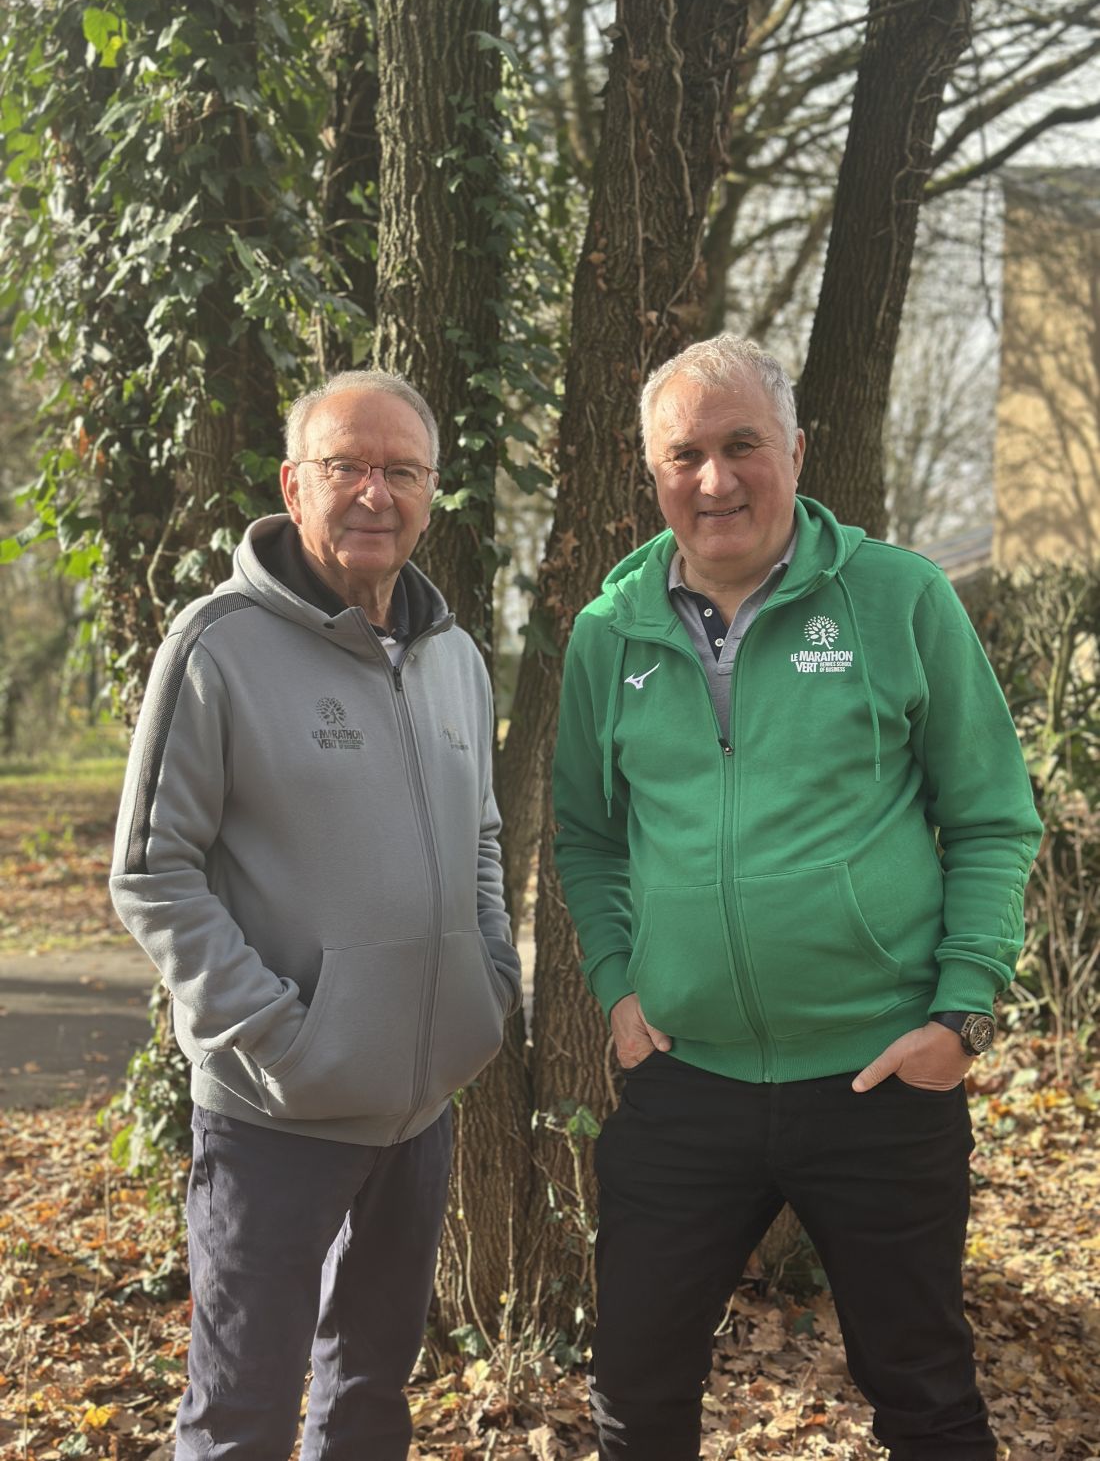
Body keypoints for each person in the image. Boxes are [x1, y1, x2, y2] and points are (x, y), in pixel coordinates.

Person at [552, 334, 1041, 1460]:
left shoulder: (896, 597)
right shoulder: (604, 632)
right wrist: (618, 989)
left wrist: (960, 1012)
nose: (714, 480)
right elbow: (585, 832)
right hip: (684, 1079)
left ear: (795, 451)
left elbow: (989, 815)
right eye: (685, 454)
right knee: (633, 1390)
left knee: (923, 1392)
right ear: (652, 471)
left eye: (741, 447)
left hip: (877, 1073)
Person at [110, 370, 521, 1461]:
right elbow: (151, 872)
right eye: (346, 467)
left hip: (419, 1110)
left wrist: (484, 984)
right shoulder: (217, 648)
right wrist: (275, 1033)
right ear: (295, 485)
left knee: (369, 1398)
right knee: (241, 1412)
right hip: (273, 1118)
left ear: (431, 492)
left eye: (400, 470)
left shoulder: (455, 659)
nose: (373, 493)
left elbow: (479, 834)